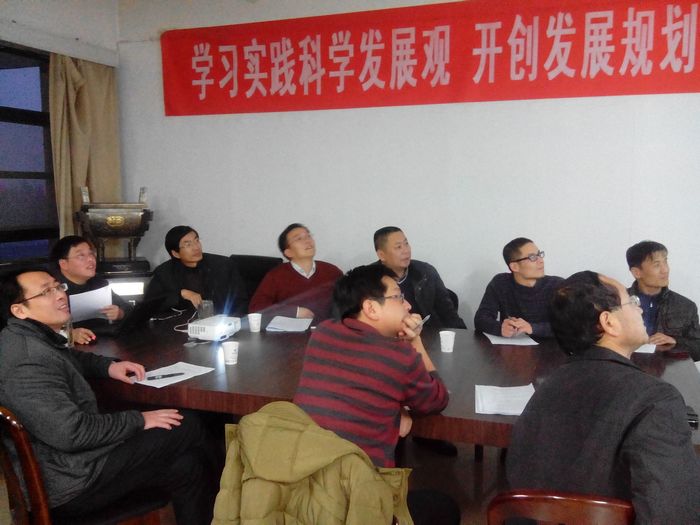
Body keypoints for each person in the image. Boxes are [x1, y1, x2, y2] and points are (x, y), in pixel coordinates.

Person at [0, 269, 218, 524]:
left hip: (74, 464)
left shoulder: (26, 337)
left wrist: (108, 367)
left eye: (58, 287)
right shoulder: (27, 361)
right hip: (68, 482)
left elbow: (67, 357)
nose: (59, 295)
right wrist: (140, 420)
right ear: (19, 310)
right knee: (187, 425)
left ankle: (226, 512)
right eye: (46, 292)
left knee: (188, 466)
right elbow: (72, 434)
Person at [507, 271, 700, 523]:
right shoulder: (656, 399)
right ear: (608, 322)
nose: (640, 309)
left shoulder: (547, 386)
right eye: (632, 302)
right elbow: (673, 515)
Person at [294, 264, 458, 525]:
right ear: (371, 308)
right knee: (446, 508)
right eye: (399, 297)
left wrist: (394, 407)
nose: (407, 305)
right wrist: (415, 342)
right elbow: (437, 400)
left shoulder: (322, 333)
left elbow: (359, 385)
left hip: (305, 487)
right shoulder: (398, 355)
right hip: (359, 501)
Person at [373, 226, 465, 329]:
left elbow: (448, 313)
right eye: (398, 247)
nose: (406, 251)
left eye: (406, 244)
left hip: (429, 333)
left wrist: (463, 335)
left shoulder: (426, 272)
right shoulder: (369, 280)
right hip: (388, 336)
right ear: (381, 255)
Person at [144, 225, 248, 315]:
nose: (196, 247)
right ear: (176, 253)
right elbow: (150, 305)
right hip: (180, 326)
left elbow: (241, 302)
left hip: (221, 322)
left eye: (197, 241)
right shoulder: (164, 272)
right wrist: (181, 294)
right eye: (188, 244)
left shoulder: (223, 265)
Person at [248, 223, 342, 321]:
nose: (307, 241)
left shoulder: (332, 272)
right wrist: (293, 312)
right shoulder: (276, 276)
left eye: (308, 236)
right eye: (299, 239)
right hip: (288, 329)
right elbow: (255, 308)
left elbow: (347, 304)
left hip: (325, 329)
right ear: (288, 252)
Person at [474, 237, 563, 338]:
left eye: (539, 255)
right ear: (514, 267)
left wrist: (532, 328)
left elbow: (570, 327)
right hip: (512, 346)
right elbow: (480, 319)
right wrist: (500, 328)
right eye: (533, 257)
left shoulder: (558, 286)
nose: (541, 261)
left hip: (550, 346)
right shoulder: (501, 283)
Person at [50, 235, 132, 344]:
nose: (91, 259)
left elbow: (128, 309)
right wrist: (68, 334)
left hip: (102, 342)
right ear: (63, 264)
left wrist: (120, 313)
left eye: (91, 254)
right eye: (81, 256)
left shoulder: (98, 283)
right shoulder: (51, 290)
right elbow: (39, 327)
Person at [626, 240, 700, 360]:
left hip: (668, 370)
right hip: (626, 368)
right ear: (637, 272)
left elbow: (698, 347)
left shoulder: (686, 306)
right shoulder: (617, 303)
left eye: (665, 261)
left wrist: (675, 341)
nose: (665, 270)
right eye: (657, 265)